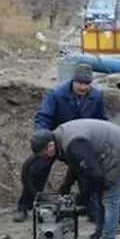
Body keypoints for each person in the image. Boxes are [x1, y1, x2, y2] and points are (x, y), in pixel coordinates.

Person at [30, 118, 120, 239]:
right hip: (107, 149)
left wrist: (84, 197)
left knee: (109, 198)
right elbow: (76, 166)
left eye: (43, 154)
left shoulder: (74, 144)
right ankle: (98, 236)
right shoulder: (60, 139)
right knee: (99, 195)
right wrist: (65, 188)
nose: (43, 158)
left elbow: (95, 175)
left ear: (49, 146)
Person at [15, 63, 109, 222]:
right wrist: (44, 140)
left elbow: (102, 121)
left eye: (87, 83)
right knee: (37, 169)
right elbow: (43, 117)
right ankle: (25, 206)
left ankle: (91, 207)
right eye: (80, 83)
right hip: (56, 139)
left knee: (88, 172)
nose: (84, 87)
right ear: (73, 80)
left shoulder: (96, 97)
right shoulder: (56, 94)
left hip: (81, 143)